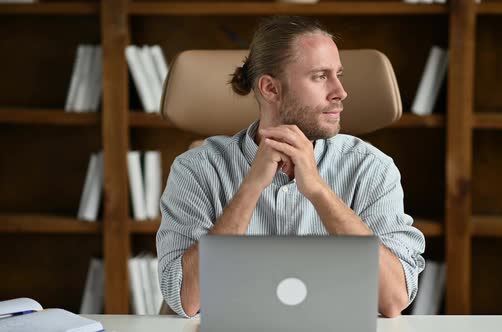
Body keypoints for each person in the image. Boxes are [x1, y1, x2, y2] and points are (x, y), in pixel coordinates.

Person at [157, 15, 425, 318]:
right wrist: (251, 188)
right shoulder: (197, 169)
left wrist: (319, 191)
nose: (340, 91)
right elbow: (185, 299)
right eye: (320, 76)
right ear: (271, 89)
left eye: (338, 74)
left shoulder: (371, 168)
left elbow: (393, 300)